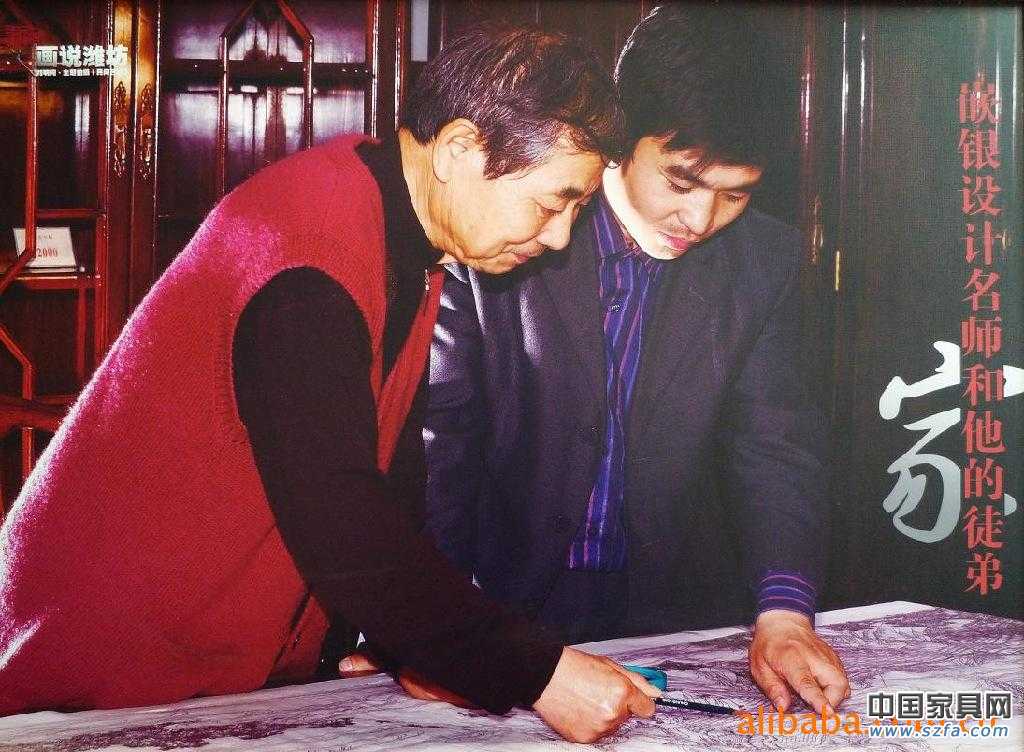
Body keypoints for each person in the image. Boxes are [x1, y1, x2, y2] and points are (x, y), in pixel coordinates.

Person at [0, 23, 657, 742]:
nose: (560, 237)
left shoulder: (395, 226)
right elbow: (342, 516)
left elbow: (391, 478)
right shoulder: (306, 253)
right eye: (554, 203)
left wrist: (413, 646)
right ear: (459, 150)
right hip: (97, 673)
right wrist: (535, 672)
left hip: (187, 662)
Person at [424, 6, 851, 715]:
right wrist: (440, 629)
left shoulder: (763, 262)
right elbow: (443, 446)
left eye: (735, 194)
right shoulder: (512, 225)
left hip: (671, 613)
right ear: (622, 139)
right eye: (681, 183)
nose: (702, 220)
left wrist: (784, 614)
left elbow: (776, 445)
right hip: (498, 604)